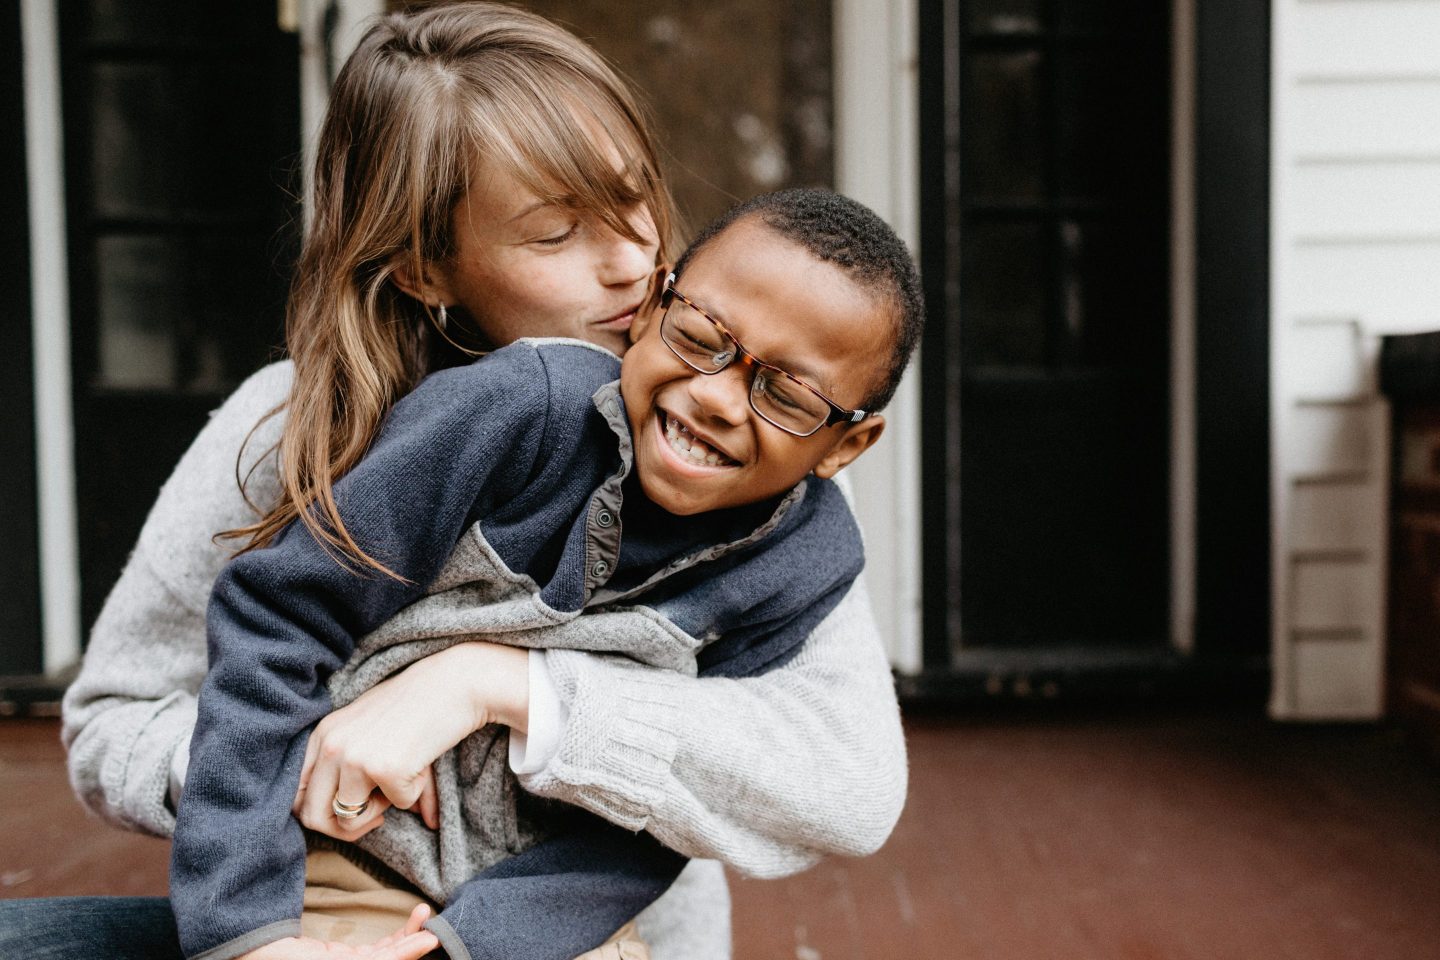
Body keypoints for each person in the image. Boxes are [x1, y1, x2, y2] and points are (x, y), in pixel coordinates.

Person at [0, 4, 905, 959]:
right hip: (330, 914)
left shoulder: (747, 460)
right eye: (558, 234)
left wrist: (504, 688)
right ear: (427, 268)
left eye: (635, 199)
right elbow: (111, 725)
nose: (635, 264)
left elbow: (847, 780)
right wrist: (295, 760)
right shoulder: (288, 429)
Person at [174, 186, 923, 960]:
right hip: (347, 855)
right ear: (652, 305)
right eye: (701, 336)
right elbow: (278, 617)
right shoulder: (517, 412)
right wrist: (244, 928)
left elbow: (659, 809)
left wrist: (480, 942)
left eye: (786, 395)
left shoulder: (802, 563)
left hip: (541, 918)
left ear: (845, 447)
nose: (715, 396)